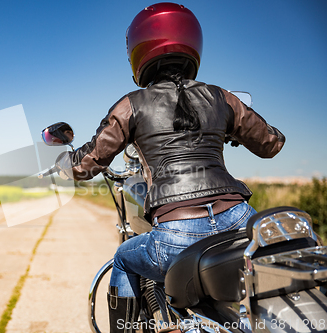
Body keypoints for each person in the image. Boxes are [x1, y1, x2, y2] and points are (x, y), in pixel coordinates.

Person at [55, 3, 285, 332]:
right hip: (239, 219)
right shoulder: (221, 97)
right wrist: (231, 130)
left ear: (138, 48)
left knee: (123, 257)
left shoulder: (131, 104)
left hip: (177, 233)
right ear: (192, 41)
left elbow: (87, 163)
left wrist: (65, 163)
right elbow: (272, 144)